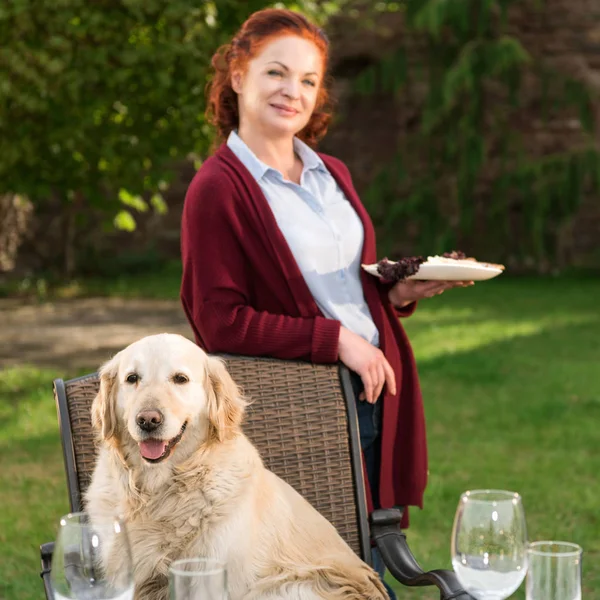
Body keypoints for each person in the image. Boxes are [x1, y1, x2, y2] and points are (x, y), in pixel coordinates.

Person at [180, 8, 470, 596]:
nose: (294, 91)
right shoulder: (218, 188)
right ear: (238, 75)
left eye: (309, 80)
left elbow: (340, 285)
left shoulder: (330, 172)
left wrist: (395, 292)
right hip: (297, 407)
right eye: (276, 73)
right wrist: (335, 339)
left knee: (366, 556)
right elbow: (218, 322)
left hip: (368, 394)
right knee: (309, 572)